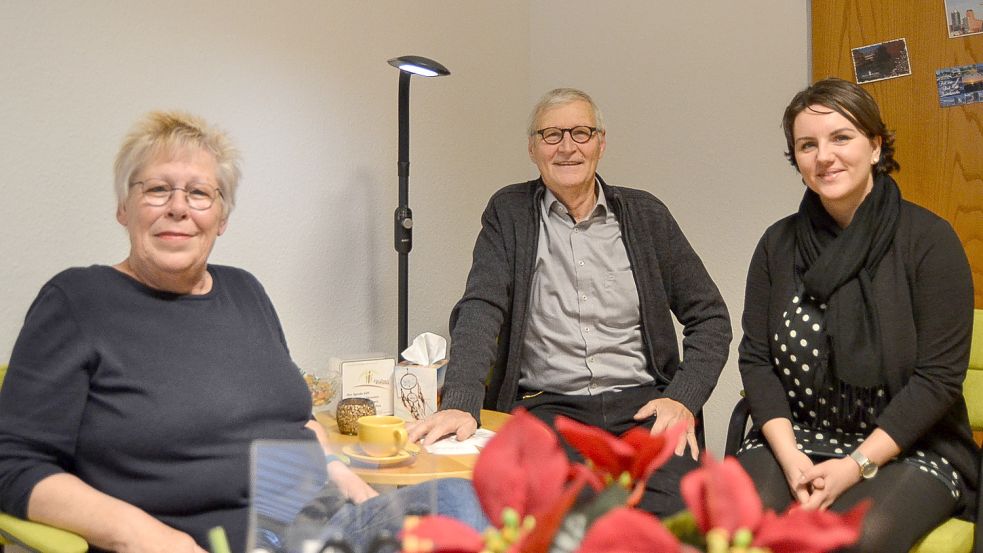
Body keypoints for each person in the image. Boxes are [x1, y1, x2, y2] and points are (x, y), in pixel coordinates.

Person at [0, 111, 486, 553]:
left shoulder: (244, 291)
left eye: (198, 193)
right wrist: (147, 537)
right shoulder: (79, 300)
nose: (178, 207)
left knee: (471, 501)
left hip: (320, 531)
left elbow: (293, 420)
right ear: (123, 208)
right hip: (208, 543)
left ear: (221, 217)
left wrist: (344, 479)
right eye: (155, 189)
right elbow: (14, 464)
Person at [408, 88, 732, 517]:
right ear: (532, 148)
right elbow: (481, 307)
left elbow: (710, 317)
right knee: (558, 518)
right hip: (547, 408)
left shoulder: (646, 215)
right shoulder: (509, 213)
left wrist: (683, 398)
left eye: (581, 133)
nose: (567, 147)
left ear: (601, 143)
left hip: (642, 407)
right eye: (551, 135)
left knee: (673, 518)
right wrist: (461, 399)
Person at [736, 77, 979, 551]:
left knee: (854, 540)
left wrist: (853, 468)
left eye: (841, 137)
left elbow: (938, 379)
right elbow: (757, 362)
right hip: (795, 439)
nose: (823, 156)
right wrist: (791, 460)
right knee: (743, 531)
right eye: (807, 145)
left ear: (874, 146)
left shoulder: (929, 241)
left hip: (910, 448)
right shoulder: (777, 245)